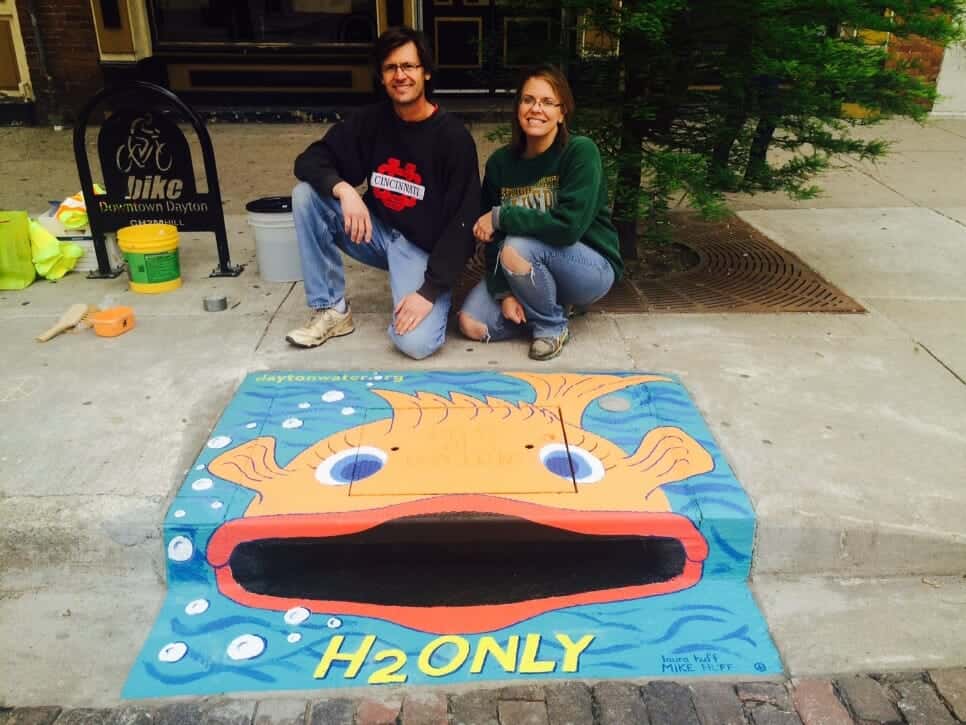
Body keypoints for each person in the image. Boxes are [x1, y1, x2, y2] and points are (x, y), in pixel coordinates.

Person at [287, 27, 480, 359]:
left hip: (422, 250)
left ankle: (442, 297)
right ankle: (331, 309)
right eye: (391, 68)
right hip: (375, 234)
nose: (400, 75)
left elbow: (463, 223)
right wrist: (344, 189)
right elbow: (310, 160)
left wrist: (430, 289)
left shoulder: (453, 137)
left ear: (426, 72)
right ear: (381, 76)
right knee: (307, 196)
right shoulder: (370, 121)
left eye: (409, 66)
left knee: (416, 344)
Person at [458, 65, 621, 361]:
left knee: (515, 246)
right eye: (528, 100)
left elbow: (568, 227)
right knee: (472, 324)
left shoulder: (580, 152)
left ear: (562, 113)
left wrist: (502, 216)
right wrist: (504, 293)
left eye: (547, 102)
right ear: (518, 108)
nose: (536, 109)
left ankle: (551, 326)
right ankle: (545, 305)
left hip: (590, 267)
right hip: (519, 264)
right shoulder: (500, 164)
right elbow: (493, 240)